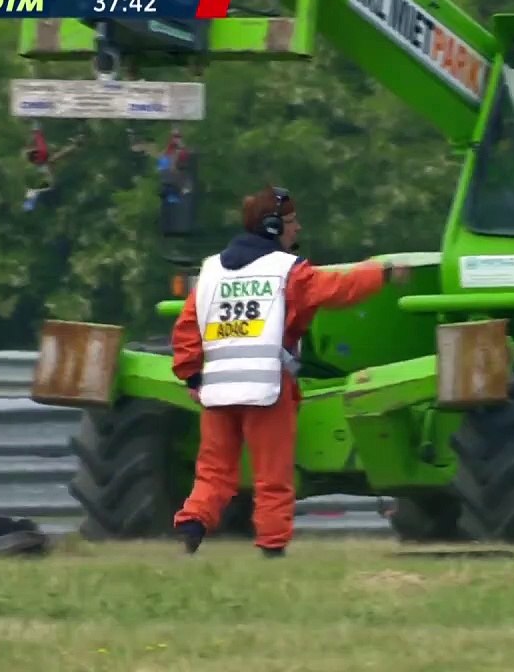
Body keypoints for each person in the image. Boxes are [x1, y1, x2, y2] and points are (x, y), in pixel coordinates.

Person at [170, 186, 410, 557]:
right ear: (271, 226)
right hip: (266, 386)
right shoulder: (287, 272)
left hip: (216, 389)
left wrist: (192, 376)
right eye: (292, 222)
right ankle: (272, 546)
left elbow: (187, 327)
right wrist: (382, 272)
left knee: (214, 471)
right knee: (273, 477)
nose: (297, 229)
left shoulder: (211, 271)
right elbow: (339, 290)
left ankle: (192, 523)